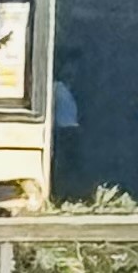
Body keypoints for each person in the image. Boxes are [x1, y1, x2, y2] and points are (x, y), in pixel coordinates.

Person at [50, 71, 82, 199]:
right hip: (65, 130)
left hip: (68, 129)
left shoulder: (62, 89)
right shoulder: (58, 88)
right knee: (66, 163)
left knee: (68, 163)